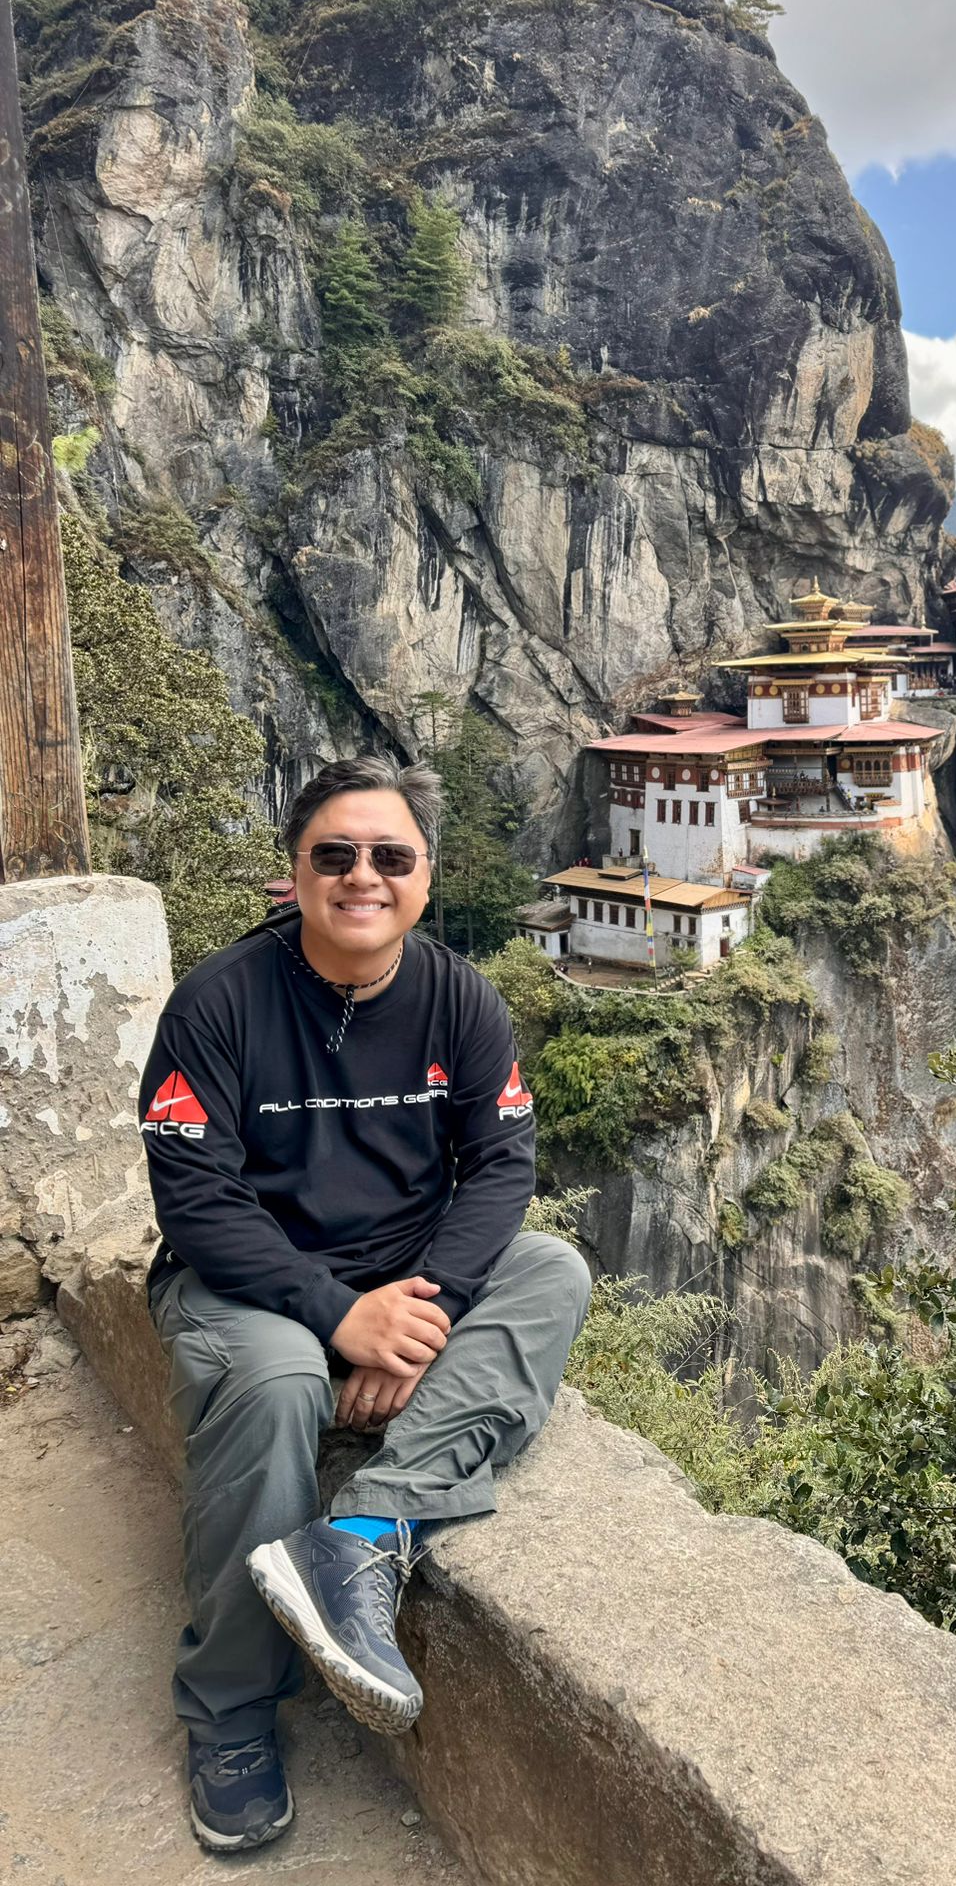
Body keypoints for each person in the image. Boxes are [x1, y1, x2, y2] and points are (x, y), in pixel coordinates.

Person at [138, 753, 591, 1854]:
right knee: (286, 1377)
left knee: (553, 1273)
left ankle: (364, 1530)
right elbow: (194, 1197)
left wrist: (420, 1310)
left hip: (401, 1279)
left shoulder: (459, 999)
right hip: (248, 1283)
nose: (362, 876)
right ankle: (231, 1706)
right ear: (293, 873)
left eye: (391, 856)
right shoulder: (218, 1004)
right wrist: (339, 1317)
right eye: (333, 854)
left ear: (425, 878)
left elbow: (499, 1165)